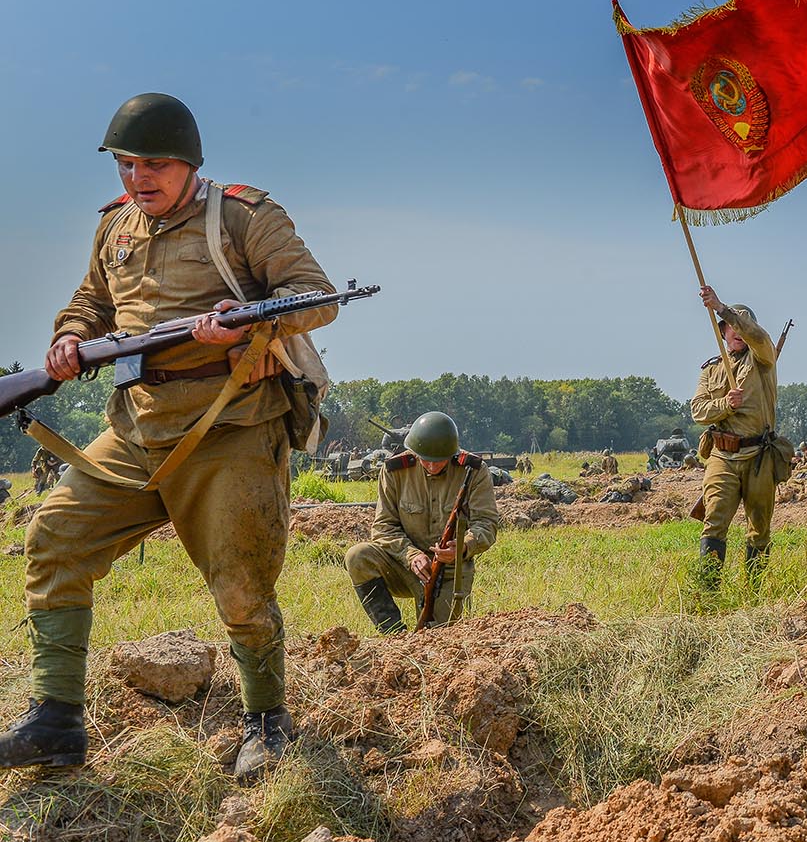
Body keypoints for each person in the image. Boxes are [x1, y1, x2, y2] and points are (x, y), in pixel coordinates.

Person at [0, 93, 337, 778]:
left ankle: (266, 723)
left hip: (230, 426)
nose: (136, 179)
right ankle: (57, 721)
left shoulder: (244, 216)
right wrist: (70, 339)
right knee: (54, 538)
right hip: (135, 428)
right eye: (126, 165)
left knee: (243, 588)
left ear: (188, 162)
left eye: (152, 164)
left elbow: (316, 297)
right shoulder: (115, 227)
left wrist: (243, 321)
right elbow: (91, 301)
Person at [343, 412, 499, 634]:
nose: (432, 467)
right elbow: (383, 527)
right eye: (425, 460)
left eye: (439, 461)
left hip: (450, 571)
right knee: (357, 556)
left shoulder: (473, 470)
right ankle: (394, 635)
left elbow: (487, 523)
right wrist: (411, 555)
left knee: (438, 638)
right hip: (405, 566)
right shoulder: (395, 470)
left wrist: (463, 546)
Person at [689, 285, 780, 588]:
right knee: (713, 522)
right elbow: (698, 410)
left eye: (742, 325)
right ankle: (709, 593)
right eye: (731, 326)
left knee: (759, 529)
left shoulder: (763, 359)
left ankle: (753, 593)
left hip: (758, 456)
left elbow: (759, 337)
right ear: (723, 332)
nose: (737, 331)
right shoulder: (711, 370)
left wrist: (722, 308)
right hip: (722, 457)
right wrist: (724, 405)